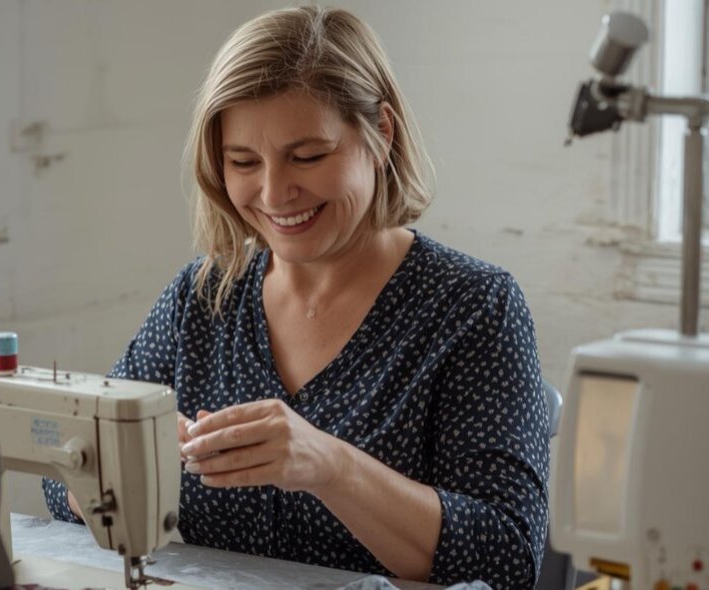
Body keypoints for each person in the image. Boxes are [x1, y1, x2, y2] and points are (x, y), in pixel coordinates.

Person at [43, 6, 549, 588]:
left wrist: (328, 465)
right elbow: (62, 485)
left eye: (307, 156)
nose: (275, 192)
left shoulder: (474, 306)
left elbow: (508, 555)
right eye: (243, 162)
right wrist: (120, 464)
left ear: (381, 133)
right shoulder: (203, 297)